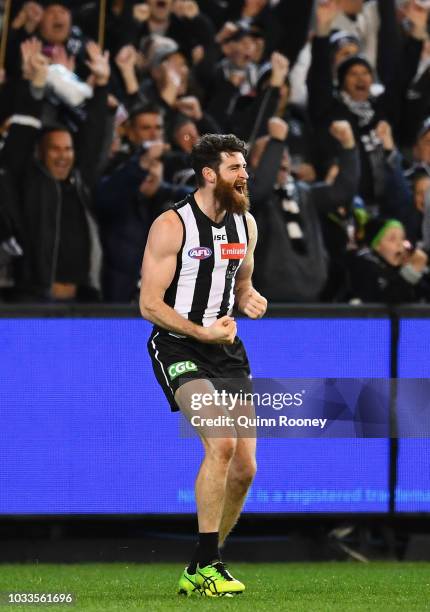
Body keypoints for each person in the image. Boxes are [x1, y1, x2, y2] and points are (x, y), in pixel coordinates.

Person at [139, 133, 267, 596]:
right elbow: (149, 305)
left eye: (244, 167)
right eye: (235, 167)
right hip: (178, 343)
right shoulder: (172, 225)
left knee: (246, 468)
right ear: (209, 174)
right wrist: (201, 332)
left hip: (226, 350)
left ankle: (203, 562)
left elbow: (243, 282)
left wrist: (250, 298)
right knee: (222, 443)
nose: (244, 175)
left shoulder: (246, 224)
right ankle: (208, 563)